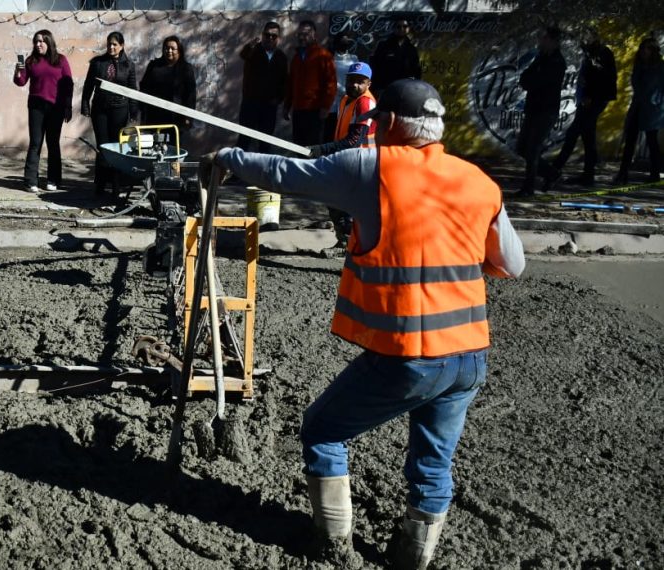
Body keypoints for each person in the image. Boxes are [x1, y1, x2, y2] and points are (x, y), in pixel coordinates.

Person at [208, 79, 525, 568]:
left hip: (411, 355)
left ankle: (334, 547)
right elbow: (512, 264)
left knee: (322, 429)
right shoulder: (478, 181)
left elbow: (287, 173)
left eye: (378, 124)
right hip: (470, 356)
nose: (374, 131)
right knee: (433, 462)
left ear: (392, 122)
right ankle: (411, 559)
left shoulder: (371, 167)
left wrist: (229, 157)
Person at [308, 61, 376, 248]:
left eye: (360, 81)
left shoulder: (365, 103)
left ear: (368, 84)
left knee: (345, 206)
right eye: (351, 80)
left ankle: (349, 246)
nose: (354, 84)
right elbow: (340, 131)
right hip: (346, 159)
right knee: (335, 202)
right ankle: (344, 243)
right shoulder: (346, 100)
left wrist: (323, 149)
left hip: (361, 162)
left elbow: (354, 140)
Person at [548, 27, 617, 188]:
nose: (584, 39)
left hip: (593, 100)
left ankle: (554, 170)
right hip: (586, 99)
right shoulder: (588, 52)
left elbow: (603, 78)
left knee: (574, 134)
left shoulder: (602, 52)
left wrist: (590, 97)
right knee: (587, 136)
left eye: (586, 36)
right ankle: (588, 175)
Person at [13, 29, 73, 193]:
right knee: (35, 143)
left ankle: (54, 179)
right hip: (36, 107)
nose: (38, 44)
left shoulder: (60, 60)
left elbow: (68, 84)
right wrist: (18, 71)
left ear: (49, 42)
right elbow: (21, 82)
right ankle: (31, 180)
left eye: (41, 41)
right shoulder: (31, 61)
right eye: (36, 41)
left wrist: (68, 107)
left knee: (53, 143)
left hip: (56, 108)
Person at [81, 31, 139, 194]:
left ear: (121, 46)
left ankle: (116, 184)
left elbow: (133, 90)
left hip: (120, 109)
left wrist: (134, 111)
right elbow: (88, 85)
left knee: (117, 146)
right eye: (109, 44)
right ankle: (100, 184)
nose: (111, 47)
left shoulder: (129, 65)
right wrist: (85, 104)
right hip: (100, 109)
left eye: (114, 44)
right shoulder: (98, 63)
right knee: (103, 146)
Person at [515, 26, 566, 197]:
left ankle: (528, 188)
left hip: (546, 110)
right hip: (533, 108)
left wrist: (531, 81)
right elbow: (525, 77)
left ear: (552, 41)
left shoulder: (557, 62)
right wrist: (530, 80)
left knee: (533, 149)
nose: (540, 41)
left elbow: (538, 82)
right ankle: (552, 174)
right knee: (522, 148)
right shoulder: (541, 58)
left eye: (543, 38)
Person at [614, 37, 663, 185]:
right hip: (637, 106)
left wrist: (657, 102)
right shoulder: (639, 65)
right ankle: (623, 174)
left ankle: (654, 174)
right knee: (630, 140)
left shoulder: (660, 67)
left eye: (647, 48)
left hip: (652, 109)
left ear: (653, 51)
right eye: (642, 48)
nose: (644, 51)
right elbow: (636, 84)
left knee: (651, 141)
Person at [236, 22, 288, 153]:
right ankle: (237, 172)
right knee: (244, 140)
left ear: (278, 38)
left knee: (265, 143)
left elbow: (284, 81)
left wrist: (279, 99)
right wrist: (250, 45)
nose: (270, 38)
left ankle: (262, 172)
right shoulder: (254, 50)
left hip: (269, 107)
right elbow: (243, 55)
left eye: (274, 36)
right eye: (267, 35)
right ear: (262, 35)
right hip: (250, 104)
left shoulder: (281, 57)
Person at [287, 20, 337, 146]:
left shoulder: (323, 55)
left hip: (315, 110)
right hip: (298, 109)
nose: (302, 37)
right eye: (300, 34)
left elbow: (330, 83)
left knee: (313, 146)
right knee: (298, 144)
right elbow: (291, 83)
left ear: (314, 35)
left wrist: (325, 108)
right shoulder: (296, 58)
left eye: (306, 34)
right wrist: (287, 106)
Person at [140, 35, 197, 132]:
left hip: (176, 118)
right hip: (155, 116)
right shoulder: (154, 66)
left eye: (173, 48)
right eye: (166, 48)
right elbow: (144, 87)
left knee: (173, 146)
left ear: (179, 50)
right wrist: (143, 111)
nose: (169, 51)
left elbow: (190, 95)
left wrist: (188, 117)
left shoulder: (186, 69)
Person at [368, 19, 422, 95]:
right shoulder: (383, 46)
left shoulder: (412, 49)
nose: (402, 29)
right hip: (386, 89)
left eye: (405, 26)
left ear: (408, 29)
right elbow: (375, 67)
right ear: (394, 29)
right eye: (398, 27)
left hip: (405, 90)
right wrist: (376, 88)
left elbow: (416, 71)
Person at [324, 34, 359, 143]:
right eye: (342, 41)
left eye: (347, 41)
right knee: (331, 129)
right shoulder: (330, 59)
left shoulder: (354, 58)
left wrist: (351, 92)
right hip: (334, 101)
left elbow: (357, 77)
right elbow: (328, 79)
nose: (345, 43)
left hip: (350, 99)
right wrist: (342, 90)